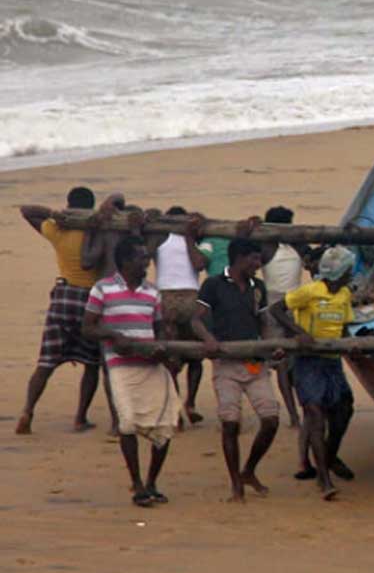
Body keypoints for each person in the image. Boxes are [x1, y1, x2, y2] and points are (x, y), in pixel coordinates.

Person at [82, 236, 180, 507]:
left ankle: (151, 482)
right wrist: (114, 335)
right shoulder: (102, 289)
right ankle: (136, 483)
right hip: (120, 365)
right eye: (141, 258)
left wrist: (163, 347)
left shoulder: (152, 292)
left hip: (151, 365)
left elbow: (159, 329)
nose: (146, 262)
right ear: (125, 261)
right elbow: (87, 327)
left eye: (146, 258)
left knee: (164, 425)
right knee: (127, 423)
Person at [16, 187, 111, 435]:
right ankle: (80, 417)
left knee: (46, 362)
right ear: (91, 207)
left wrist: (55, 214)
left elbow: (27, 211)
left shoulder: (58, 229)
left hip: (63, 298)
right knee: (92, 363)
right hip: (91, 299)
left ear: (68, 205)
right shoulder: (97, 230)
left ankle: (27, 410)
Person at [192, 238, 279, 503]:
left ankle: (248, 470)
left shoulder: (258, 287)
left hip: (254, 362)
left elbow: (263, 321)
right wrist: (208, 338)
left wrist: (269, 345)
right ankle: (236, 484)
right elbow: (195, 318)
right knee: (230, 423)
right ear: (240, 258)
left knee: (271, 419)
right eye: (254, 259)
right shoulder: (213, 285)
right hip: (226, 364)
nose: (258, 264)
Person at [271, 246, 358, 500]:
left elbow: (342, 326)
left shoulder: (343, 294)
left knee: (344, 409)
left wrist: (350, 345)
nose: (351, 274)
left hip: (332, 361)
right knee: (315, 414)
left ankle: (329, 457)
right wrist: (299, 332)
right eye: (348, 270)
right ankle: (324, 478)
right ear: (339, 272)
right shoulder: (310, 291)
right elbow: (277, 309)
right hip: (308, 361)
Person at [147, 207, 207, 426]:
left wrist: (191, 237)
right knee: (172, 358)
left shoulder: (195, 239)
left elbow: (200, 264)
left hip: (189, 295)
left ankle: (189, 403)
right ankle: (177, 407)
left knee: (196, 356)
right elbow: (146, 252)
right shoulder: (161, 237)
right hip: (167, 296)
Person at [260, 206, 306, 431]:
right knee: (281, 362)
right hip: (273, 303)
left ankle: (299, 410)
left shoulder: (295, 244)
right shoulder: (267, 246)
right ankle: (292, 413)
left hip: (296, 301)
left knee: (296, 360)